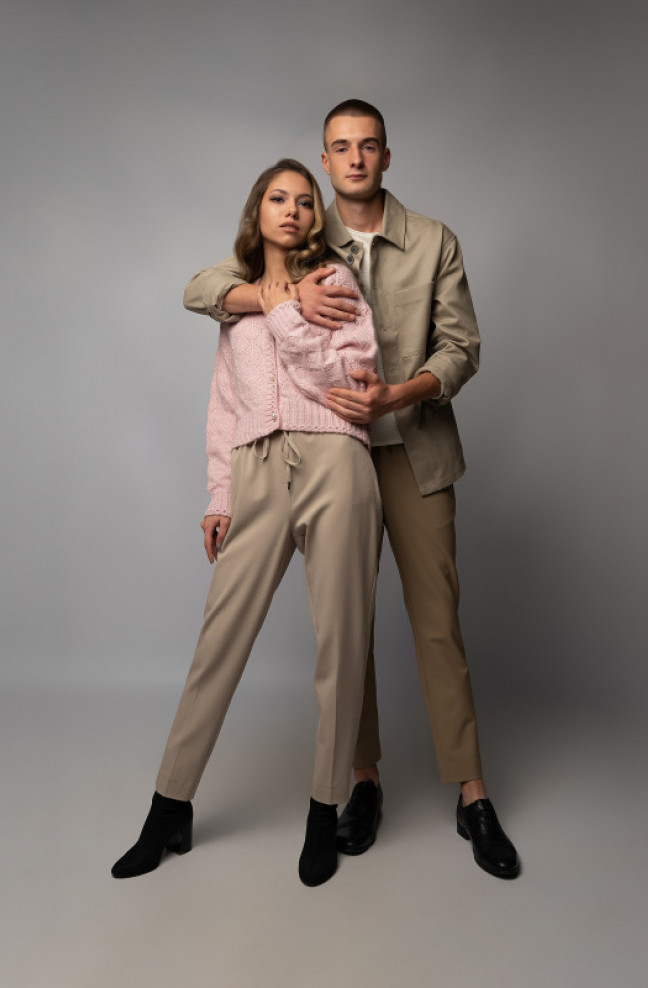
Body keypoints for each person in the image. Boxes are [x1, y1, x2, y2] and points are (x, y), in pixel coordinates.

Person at [182, 101, 520, 879]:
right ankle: (362, 781)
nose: (356, 158)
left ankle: (472, 792)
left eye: (369, 146)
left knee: (438, 623)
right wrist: (279, 297)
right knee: (348, 628)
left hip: (415, 452)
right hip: (332, 456)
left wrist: (399, 394)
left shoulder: (433, 240)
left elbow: (462, 348)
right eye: (341, 147)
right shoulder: (300, 232)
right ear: (326, 160)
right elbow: (205, 288)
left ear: (386, 157)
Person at [111, 159, 381, 888]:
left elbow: (343, 381)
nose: (291, 209)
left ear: (316, 218)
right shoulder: (235, 298)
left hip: (336, 460)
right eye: (277, 198)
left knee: (342, 640)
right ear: (257, 211)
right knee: (218, 640)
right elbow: (225, 405)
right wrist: (219, 496)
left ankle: (324, 809)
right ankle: (169, 809)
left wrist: (287, 308)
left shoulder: (336, 282)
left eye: (305, 200)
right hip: (257, 466)